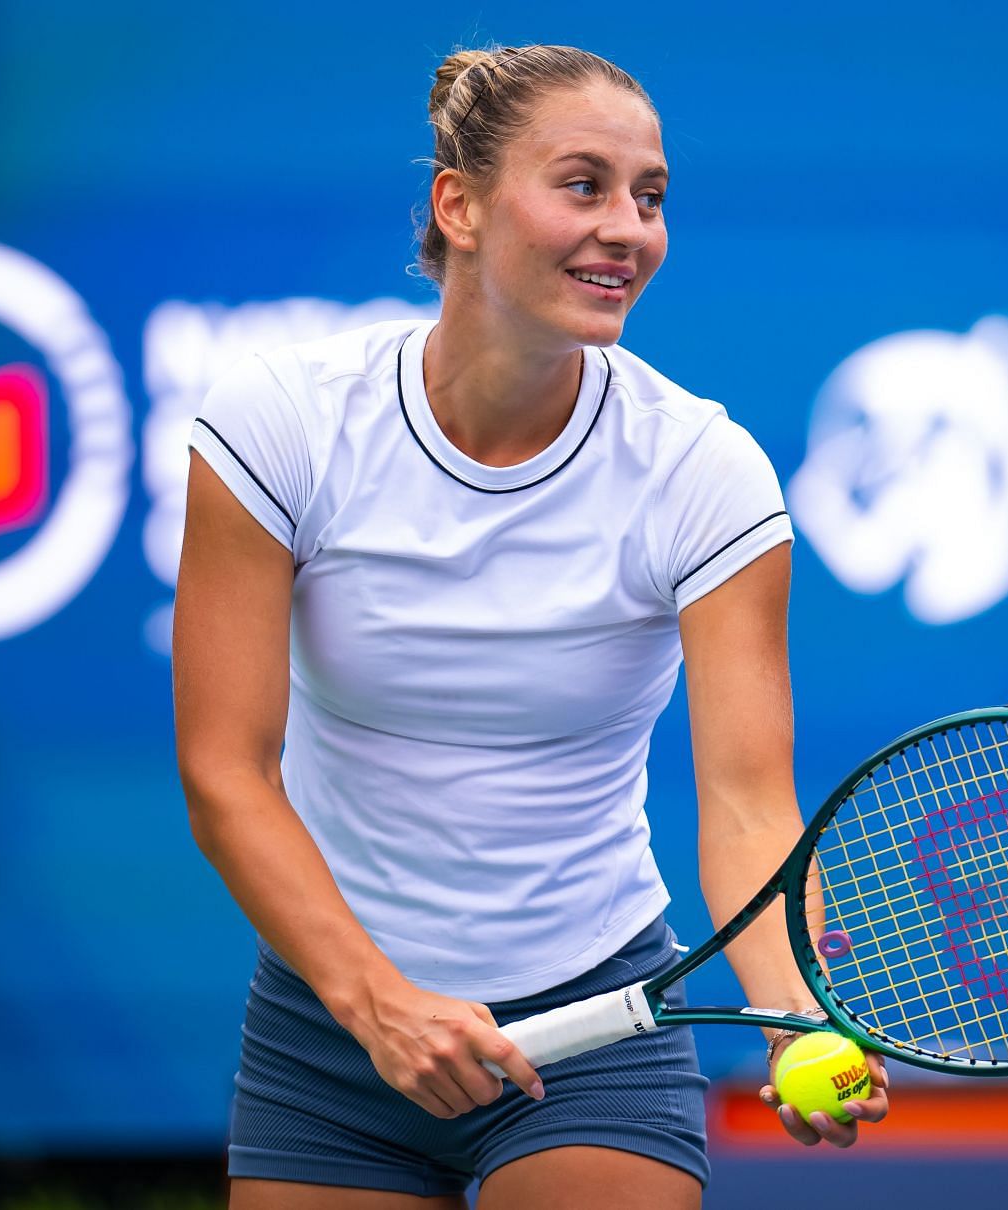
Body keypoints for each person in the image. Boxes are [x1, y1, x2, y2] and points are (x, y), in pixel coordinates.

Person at [172, 42, 888, 1209]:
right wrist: (375, 1002)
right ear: (458, 205)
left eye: (650, 198)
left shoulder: (704, 472)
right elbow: (226, 774)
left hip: (600, 1023)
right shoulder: (282, 424)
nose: (628, 227)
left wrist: (796, 1024)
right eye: (583, 184)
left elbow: (752, 805)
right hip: (335, 1029)